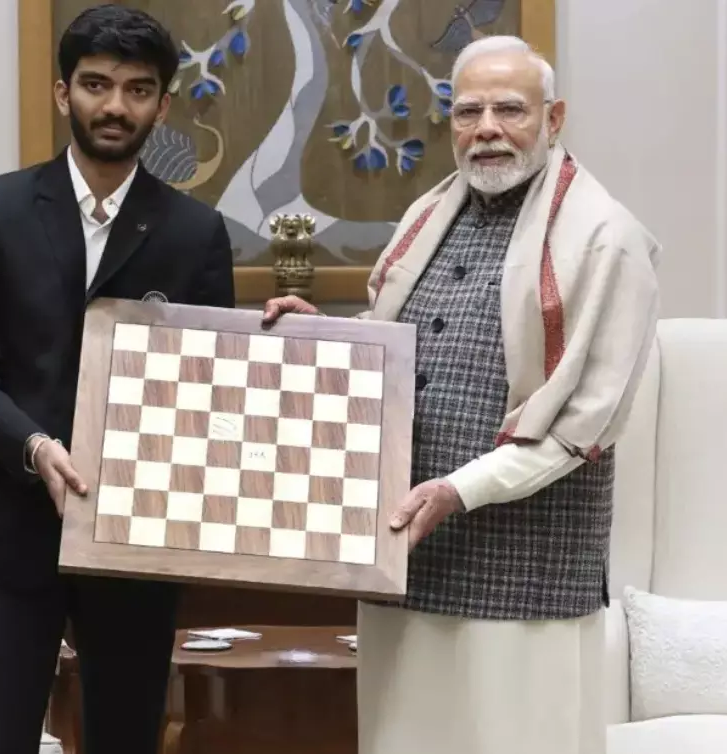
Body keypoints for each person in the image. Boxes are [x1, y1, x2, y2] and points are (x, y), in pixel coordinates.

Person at [262, 36, 660, 754]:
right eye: (468, 110)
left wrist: (457, 490)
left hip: (527, 571)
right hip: (410, 554)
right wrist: (329, 340)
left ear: (554, 117)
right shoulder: (429, 214)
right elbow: (400, 343)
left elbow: (584, 425)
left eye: (510, 109)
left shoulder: (607, 239)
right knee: (402, 738)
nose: (487, 129)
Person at [0, 5, 234, 753]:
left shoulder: (196, 235)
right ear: (61, 91)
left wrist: (282, 336)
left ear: (163, 106)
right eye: (96, 84)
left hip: (137, 536)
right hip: (9, 524)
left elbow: (213, 388)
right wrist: (35, 447)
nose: (115, 105)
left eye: (138, 89)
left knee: (126, 739)